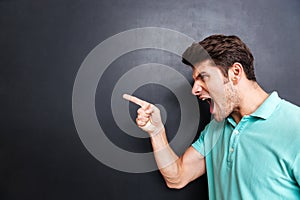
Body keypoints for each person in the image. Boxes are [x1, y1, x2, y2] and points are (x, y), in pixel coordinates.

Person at [123, 35, 300, 199]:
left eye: (204, 77)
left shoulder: (295, 127)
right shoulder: (216, 127)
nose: (194, 90)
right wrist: (156, 131)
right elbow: (177, 177)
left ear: (235, 73)